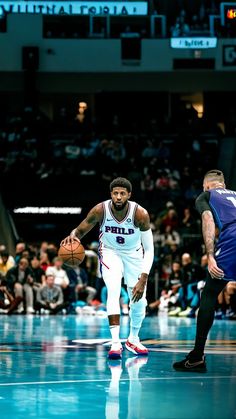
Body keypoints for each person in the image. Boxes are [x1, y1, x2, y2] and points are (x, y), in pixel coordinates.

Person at [61, 177, 154, 359]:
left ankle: (133, 339)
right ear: (111, 194)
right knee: (113, 290)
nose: (118, 197)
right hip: (110, 252)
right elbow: (79, 231)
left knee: (139, 300)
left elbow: (149, 249)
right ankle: (115, 342)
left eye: (122, 193)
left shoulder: (140, 214)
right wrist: (73, 236)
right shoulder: (100, 210)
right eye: (115, 193)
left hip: (134, 254)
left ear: (129, 195)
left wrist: (144, 278)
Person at [173, 169, 236, 372]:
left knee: (209, 294)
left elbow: (208, 220)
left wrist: (210, 255)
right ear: (223, 184)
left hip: (232, 239)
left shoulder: (207, 196)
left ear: (206, 186)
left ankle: (197, 357)